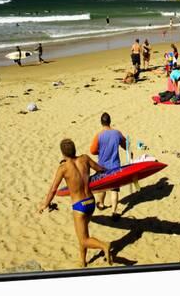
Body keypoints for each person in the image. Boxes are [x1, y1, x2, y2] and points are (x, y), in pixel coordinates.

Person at [38, 139, 112, 268]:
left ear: (63, 153)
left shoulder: (63, 168)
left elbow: (54, 189)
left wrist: (45, 204)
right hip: (91, 202)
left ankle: (104, 246)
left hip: (79, 206)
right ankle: (82, 261)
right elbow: (100, 169)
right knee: (83, 234)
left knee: (83, 239)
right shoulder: (85, 159)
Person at [90, 113, 128, 220]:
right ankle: (114, 211)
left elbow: (92, 150)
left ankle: (101, 204)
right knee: (114, 189)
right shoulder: (117, 133)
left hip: (102, 165)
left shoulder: (99, 135)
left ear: (101, 122)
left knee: (103, 186)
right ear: (110, 121)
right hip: (115, 165)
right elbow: (125, 145)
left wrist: (100, 151)